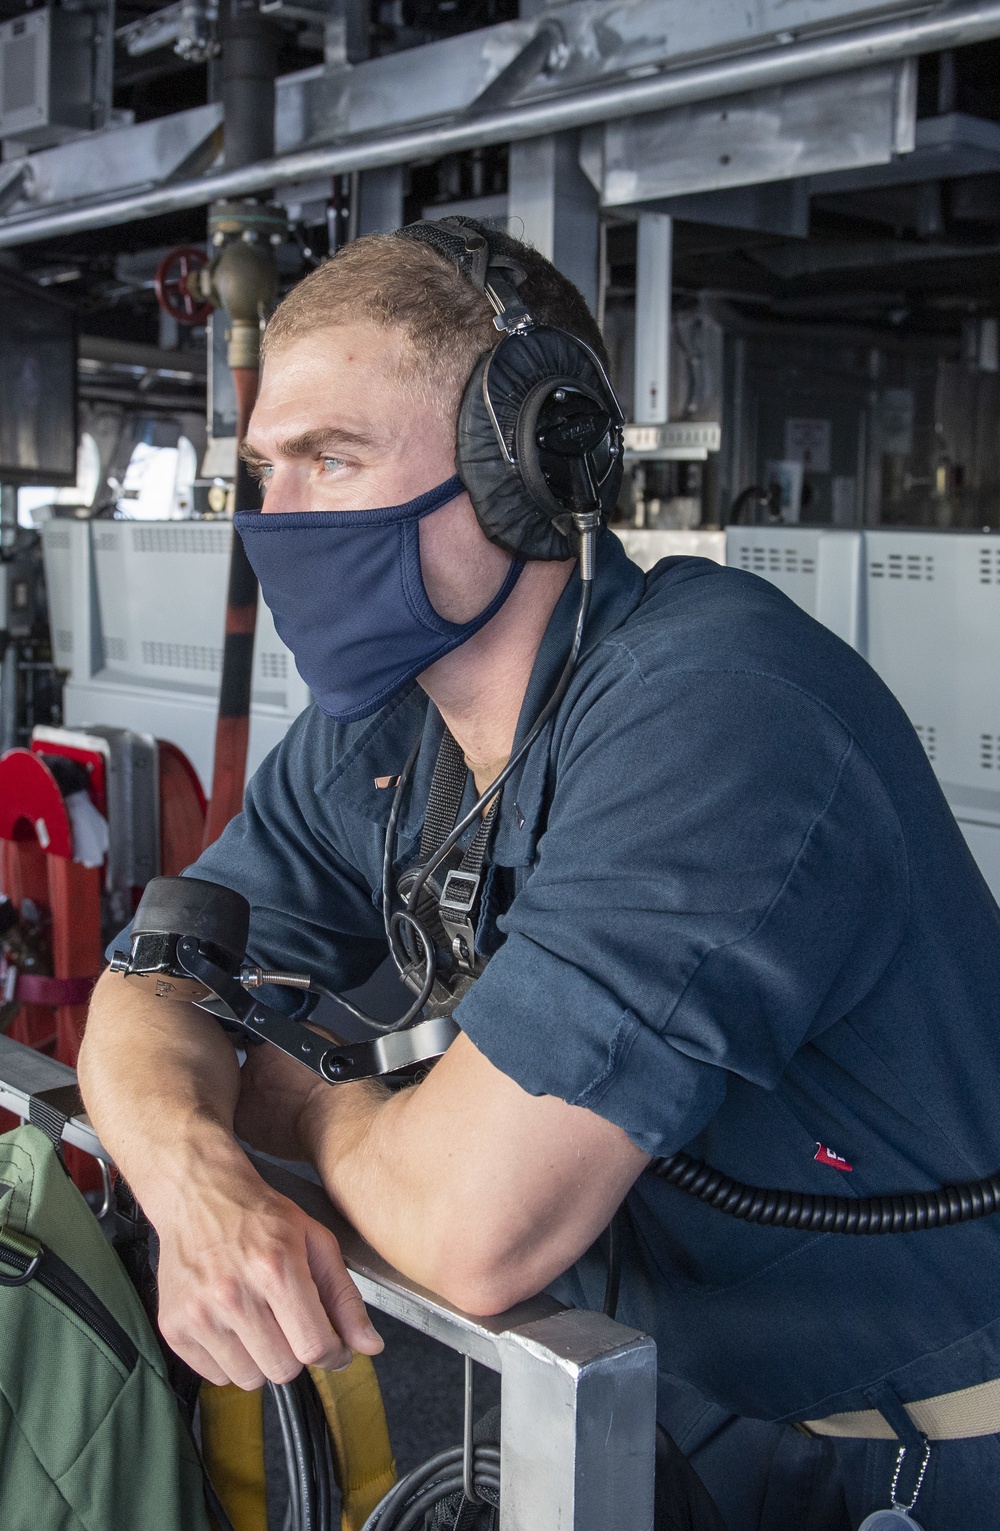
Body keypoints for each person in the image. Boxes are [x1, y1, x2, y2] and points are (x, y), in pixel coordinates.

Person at [79, 221, 1000, 1531]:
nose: (277, 528)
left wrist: (305, 1111)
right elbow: (151, 986)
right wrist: (197, 1180)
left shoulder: (718, 703)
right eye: (265, 474)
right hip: (682, 1410)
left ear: (529, 456)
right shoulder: (379, 736)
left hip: (924, 1453)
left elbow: (471, 1227)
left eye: (332, 458)